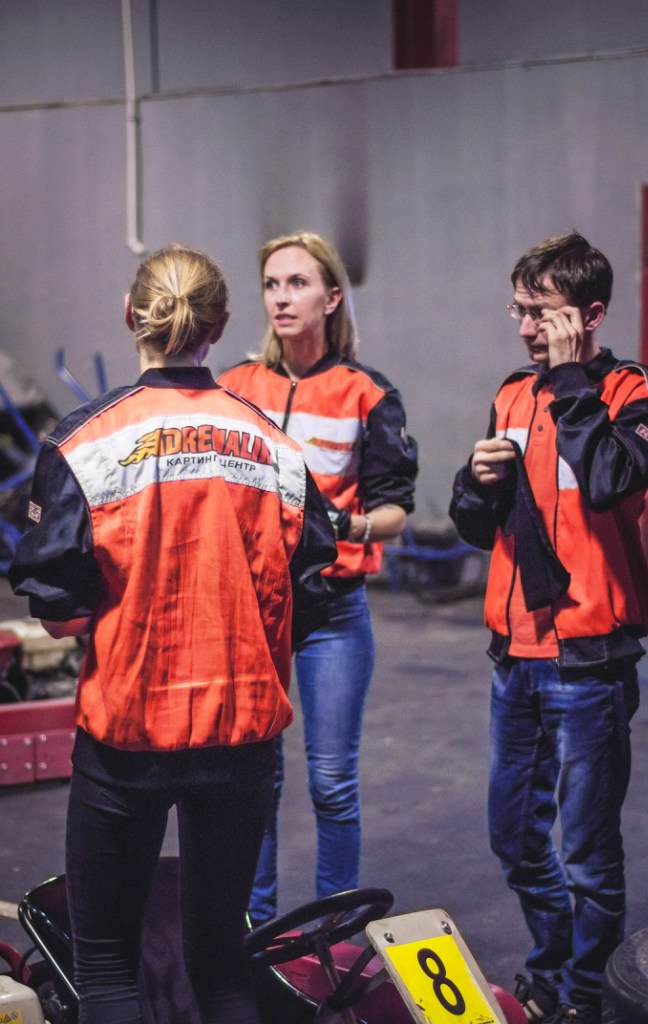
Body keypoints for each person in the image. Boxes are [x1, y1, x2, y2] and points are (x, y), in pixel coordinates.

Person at [9, 244, 337, 1024]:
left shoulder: (84, 442)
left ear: (132, 316)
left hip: (127, 740)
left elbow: (57, 611)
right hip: (243, 739)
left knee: (108, 969)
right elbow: (312, 601)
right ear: (219, 327)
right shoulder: (275, 446)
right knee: (221, 967)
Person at [449, 232, 648, 1024]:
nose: (525, 328)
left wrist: (575, 378)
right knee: (515, 839)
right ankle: (551, 965)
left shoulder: (641, 394)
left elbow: (610, 477)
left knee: (586, 852)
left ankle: (583, 997)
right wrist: (474, 483)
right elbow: (477, 527)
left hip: (590, 663)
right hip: (514, 657)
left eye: (541, 312)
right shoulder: (513, 394)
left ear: (590, 314)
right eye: (519, 310)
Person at [219, 231, 418, 922]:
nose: (281, 298)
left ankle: (333, 935)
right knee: (256, 784)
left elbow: (396, 512)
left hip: (334, 614)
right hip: (254, 616)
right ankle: (251, 932)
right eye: (272, 284)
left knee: (332, 784)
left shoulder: (367, 393)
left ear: (332, 297)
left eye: (297, 283)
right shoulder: (235, 388)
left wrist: (346, 526)